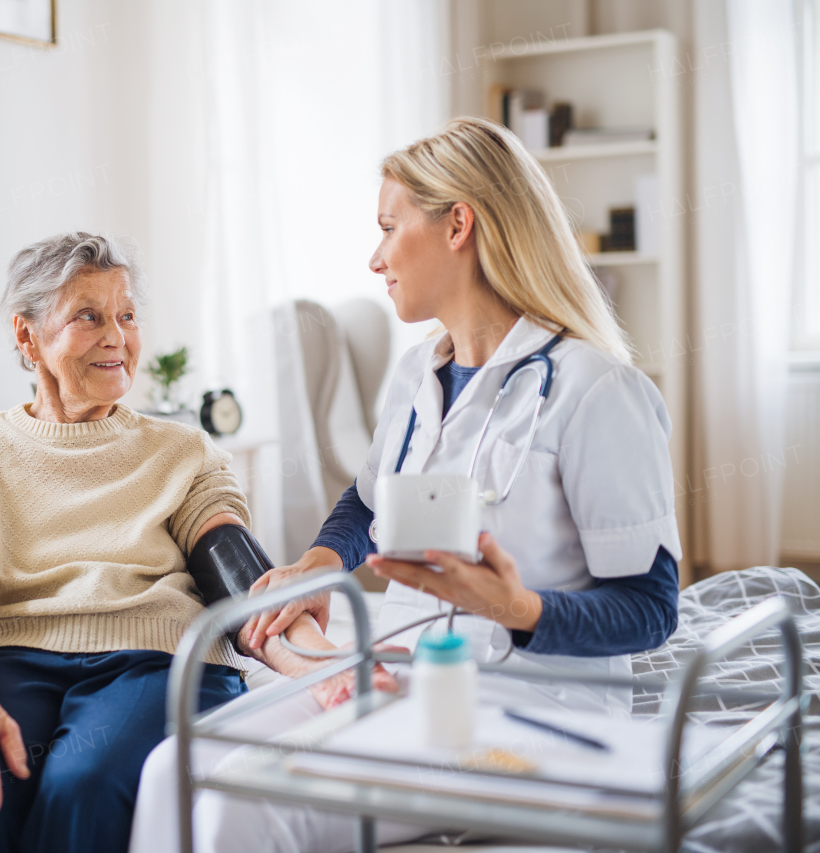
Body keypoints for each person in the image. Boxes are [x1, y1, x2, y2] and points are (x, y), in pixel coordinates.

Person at [130, 117, 682, 853]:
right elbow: (368, 498)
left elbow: (652, 606)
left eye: (390, 227)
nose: (374, 257)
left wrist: (520, 608)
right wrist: (324, 561)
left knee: (247, 805)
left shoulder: (594, 390)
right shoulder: (416, 375)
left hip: (525, 711)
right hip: (402, 674)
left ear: (460, 224)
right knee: (174, 767)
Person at [0, 232, 382, 853]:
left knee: (82, 783)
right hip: (17, 662)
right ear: (26, 335)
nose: (116, 337)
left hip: (159, 661)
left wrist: (323, 667)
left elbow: (235, 572)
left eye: (126, 316)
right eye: (87, 317)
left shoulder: (182, 449)